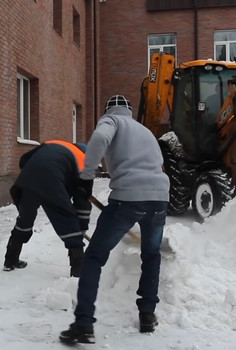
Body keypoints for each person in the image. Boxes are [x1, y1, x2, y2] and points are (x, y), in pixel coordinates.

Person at [59, 95, 170, 344]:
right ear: (129, 110)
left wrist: (86, 177)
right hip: (159, 198)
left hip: (128, 200)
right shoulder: (144, 130)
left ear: (108, 111)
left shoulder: (111, 121)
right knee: (151, 254)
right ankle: (147, 314)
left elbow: (99, 139)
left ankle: (84, 324)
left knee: (94, 258)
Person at [3, 139, 93, 278]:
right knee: (68, 222)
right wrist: (80, 228)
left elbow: (24, 160)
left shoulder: (54, 144)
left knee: (24, 220)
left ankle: (10, 260)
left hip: (27, 179)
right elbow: (82, 203)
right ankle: (78, 270)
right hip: (52, 182)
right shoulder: (85, 163)